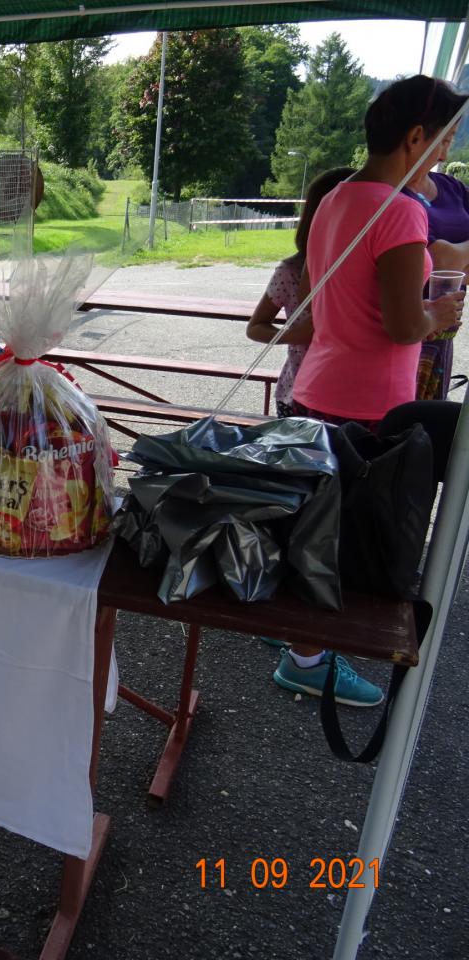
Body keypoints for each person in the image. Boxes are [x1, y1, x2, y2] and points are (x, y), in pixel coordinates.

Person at [277, 75, 467, 708]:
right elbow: (404, 324)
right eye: (444, 140)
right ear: (415, 137)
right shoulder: (401, 210)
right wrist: (440, 313)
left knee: (312, 528)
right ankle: (310, 658)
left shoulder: (336, 197)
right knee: (351, 543)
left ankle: (302, 645)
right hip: (370, 405)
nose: (445, 154)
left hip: (316, 386)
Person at [245, 168, 354, 416]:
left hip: (352, 397)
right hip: (297, 395)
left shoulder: (371, 271)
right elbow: (255, 327)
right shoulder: (292, 271)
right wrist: (296, 335)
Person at [408, 148, 469, 400]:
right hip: (410, 329)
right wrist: (447, 260)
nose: (444, 154)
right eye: (441, 140)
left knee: (430, 411)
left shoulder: (452, 187)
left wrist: (452, 255)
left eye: (450, 139)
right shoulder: (397, 195)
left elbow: (444, 263)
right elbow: (438, 262)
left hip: (444, 331)